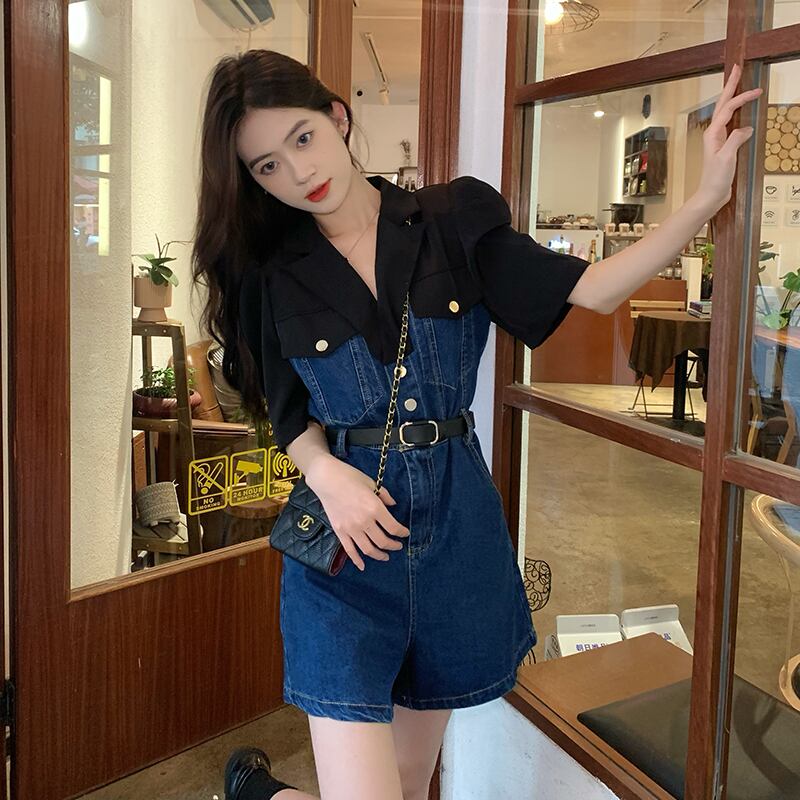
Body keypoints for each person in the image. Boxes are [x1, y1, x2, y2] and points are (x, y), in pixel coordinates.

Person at [191, 49, 760, 800]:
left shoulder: (452, 223)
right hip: (344, 549)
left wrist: (705, 195)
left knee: (405, 780)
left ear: (337, 116)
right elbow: (288, 411)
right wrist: (327, 476)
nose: (298, 173)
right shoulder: (271, 272)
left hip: (454, 538)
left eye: (302, 138)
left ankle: (260, 794)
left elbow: (594, 289)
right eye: (267, 165)